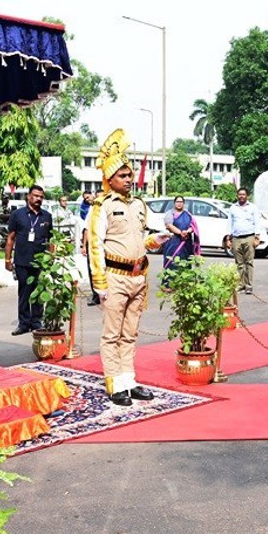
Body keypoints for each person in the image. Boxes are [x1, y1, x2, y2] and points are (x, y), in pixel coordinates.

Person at [87, 129, 168, 406]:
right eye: (122, 176)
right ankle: (114, 382)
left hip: (138, 277)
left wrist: (155, 240)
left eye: (130, 174)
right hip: (114, 278)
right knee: (112, 333)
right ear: (109, 180)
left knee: (130, 332)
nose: (129, 179)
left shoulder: (139, 205)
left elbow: (141, 238)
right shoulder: (102, 206)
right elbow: (94, 245)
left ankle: (129, 380)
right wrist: (99, 284)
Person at [5, 184, 53, 335]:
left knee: (39, 292)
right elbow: (11, 238)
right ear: (29, 196)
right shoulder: (17, 215)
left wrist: (50, 258)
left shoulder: (46, 216)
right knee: (24, 292)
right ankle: (24, 323)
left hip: (40, 261)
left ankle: (36, 322)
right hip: (22, 261)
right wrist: (7, 260)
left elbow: (50, 240)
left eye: (41, 197)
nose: (39, 199)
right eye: (36, 196)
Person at [224, 188, 259, 294]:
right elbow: (230, 223)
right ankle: (240, 284)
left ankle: (249, 286)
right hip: (236, 238)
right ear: (237, 195)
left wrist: (257, 237)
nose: (241, 196)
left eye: (243, 194)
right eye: (239, 194)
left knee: (249, 262)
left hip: (249, 237)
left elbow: (257, 222)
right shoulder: (233, 208)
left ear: (247, 196)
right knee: (239, 263)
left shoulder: (253, 207)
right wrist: (228, 238)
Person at [162, 196, 199, 287]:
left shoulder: (188, 214)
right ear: (174, 203)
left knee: (185, 262)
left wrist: (187, 231)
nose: (179, 203)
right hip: (173, 242)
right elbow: (169, 226)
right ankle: (168, 284)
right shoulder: (170, 213)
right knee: (172, 261)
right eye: (177, 202)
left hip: (186, 243)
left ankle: (184, 284)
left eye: (181, 202)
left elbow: (192, 226)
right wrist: (180, 233)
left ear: (183, 203)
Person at [79, 191, 100, 306]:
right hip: (92, 244)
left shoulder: (105, 209)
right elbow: (86, 229)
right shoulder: (90, 211)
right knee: (92, 269)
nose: (88, 199)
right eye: (85, 198)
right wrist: (84, 246)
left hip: (103, 244)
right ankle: (96, 296)